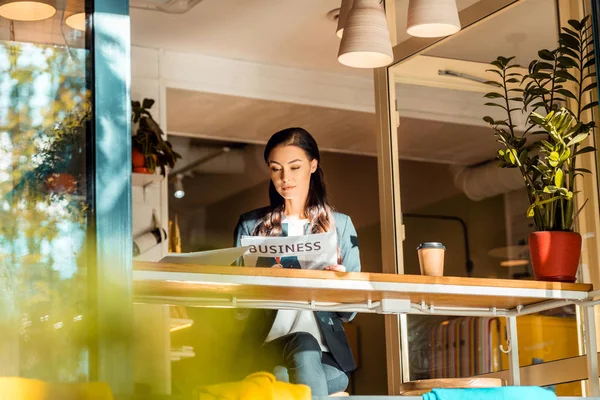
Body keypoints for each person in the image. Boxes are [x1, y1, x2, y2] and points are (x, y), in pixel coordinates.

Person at [233, 127, 360, 396]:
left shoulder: (341, 225)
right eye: (276, 168)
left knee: (285, 373)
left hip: (326, 355)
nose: (285, 178)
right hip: (266, 347)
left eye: (294, 167)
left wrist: (339, 283)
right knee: (302, 347)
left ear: (313, 165)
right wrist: (258, 281)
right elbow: (237, 309)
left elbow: (350, 311)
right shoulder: (250, 225)